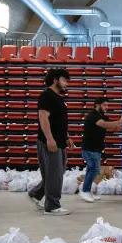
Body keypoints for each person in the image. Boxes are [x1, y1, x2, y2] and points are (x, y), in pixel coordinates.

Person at [29, 68, 74, 216]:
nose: (66, 83)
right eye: (64, 80)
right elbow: (43, 117)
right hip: (50, 141)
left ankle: (36, 193)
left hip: (59, 141)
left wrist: (66, 137)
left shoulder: (58, 98)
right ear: (55, 80)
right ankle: (52, 207)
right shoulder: (47, 96)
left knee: (56, 173)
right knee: (55, 175)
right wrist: (49, 139)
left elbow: (59, 121)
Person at [79, 97, 122, 203]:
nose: (107, 107)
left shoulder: (102, 116)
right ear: (97, 105)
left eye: (107, 105)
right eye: (105, 105)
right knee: (94, 169)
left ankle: (86, 191)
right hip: (89, 148)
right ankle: (85, 191)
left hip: (96, 148)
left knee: (91, 169)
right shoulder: (93, 115)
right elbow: (105, 124)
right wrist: (120, 121)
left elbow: (111, 127)